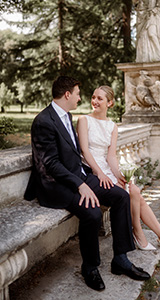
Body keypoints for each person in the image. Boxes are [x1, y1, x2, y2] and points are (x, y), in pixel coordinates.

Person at [24, 76, 151, 292]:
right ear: (67, 95)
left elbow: (74, 154)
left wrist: (92, 176)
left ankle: (120, 259)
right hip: (55, 185)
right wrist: (80, 185)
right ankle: (90, 267)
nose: (79, 97)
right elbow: (51, 164)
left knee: (122, 196)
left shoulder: (66, 115)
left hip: (78, 176)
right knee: (92, 212)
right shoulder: (43, 121)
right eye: (77, 93)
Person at [77, 85, 160, 259]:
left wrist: (120, 175)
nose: (95, 101)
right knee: (135, 193)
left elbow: (111, 156)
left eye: (100, 98)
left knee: (133, 189)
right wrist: (100, 174)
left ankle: (156, 237)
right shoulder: (84, 120)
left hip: (106, 168)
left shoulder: (112, 126)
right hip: (91, 170)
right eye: (94, 97)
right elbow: (85, 152)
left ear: (110, 103)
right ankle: (146, 235)